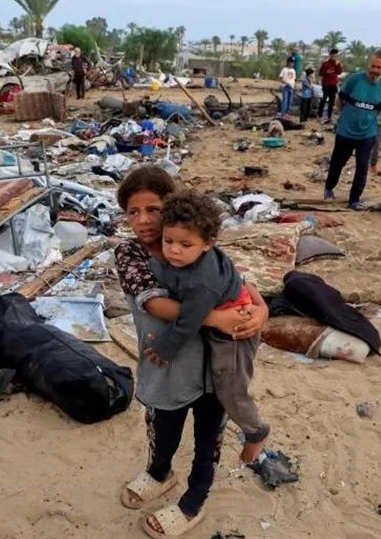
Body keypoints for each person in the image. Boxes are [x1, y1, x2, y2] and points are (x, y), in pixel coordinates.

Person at [114, 167, 269, 538]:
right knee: (163, 426)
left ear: (171, 207)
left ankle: (194, 501)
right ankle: (160, 473)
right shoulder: (131, 253)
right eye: (133, 212)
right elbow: (154, 303)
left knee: (207, 440)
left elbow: (241, 283)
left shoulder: (199, 245)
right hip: (167, 366)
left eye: (153, 209)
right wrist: (217, 318)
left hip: (213, 370)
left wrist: (262, 311)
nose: (143, 220)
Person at [145, 189, 270, 463]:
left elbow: (188, 321)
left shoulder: (201, 283)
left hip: (236, 332)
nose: (174, 249)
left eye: (185, 244)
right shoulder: (187, 260)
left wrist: (164, 349)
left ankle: (255, 431)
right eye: (168, 240)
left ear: (207, 244)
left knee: (230, 389)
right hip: (225, 319)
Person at [324, 51, 381, 210]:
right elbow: (340, 99)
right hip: (345, 132)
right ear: (369, 64)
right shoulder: (355, 79)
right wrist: (345, 117)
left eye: (378, 67)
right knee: (337, 163)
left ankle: (354, 199)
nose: (375, 70)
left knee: (362, 168)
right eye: (373, 66)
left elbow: (380, 108)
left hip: (367, 134)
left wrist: (367, 118)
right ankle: (329, 187)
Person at [318, 48, 343, 122]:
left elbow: (339, 72)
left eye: (336, 56)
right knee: (323, 100)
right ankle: (320, 115)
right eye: (333, 55)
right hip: (326, 84)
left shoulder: (337, 63)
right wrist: (326, 72)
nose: (334, 57)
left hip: (333, 85)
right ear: (330, 55)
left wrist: (337, 65)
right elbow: (320, 73)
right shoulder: (325, 63)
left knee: (331, 102)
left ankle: (329, 116)